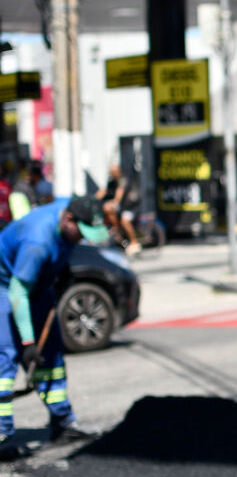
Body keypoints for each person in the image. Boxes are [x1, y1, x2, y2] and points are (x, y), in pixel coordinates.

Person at [0, 196, 108, 458]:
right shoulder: (37, 242)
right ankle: (2, 435)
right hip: (6, 288)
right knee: (5, 361)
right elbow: (17, 293)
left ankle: (63, 424)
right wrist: (27, 343)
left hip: (36, 286)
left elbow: (64, 244)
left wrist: (62, 269)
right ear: (68, 220)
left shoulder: (71, 208)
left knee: (51, 357)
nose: (82, 238)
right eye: (81, 233)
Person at [96, 164, 140, 255]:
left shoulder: (123, 180)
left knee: (124, 221)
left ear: (118, 171)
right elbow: (104, 191)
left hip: (130, 206)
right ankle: (116, 230)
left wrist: (113, 202)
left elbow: (118, 196)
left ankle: (134, 242)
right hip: (121, 207)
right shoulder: (112, 181)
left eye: (113, 172)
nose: (111, 174)